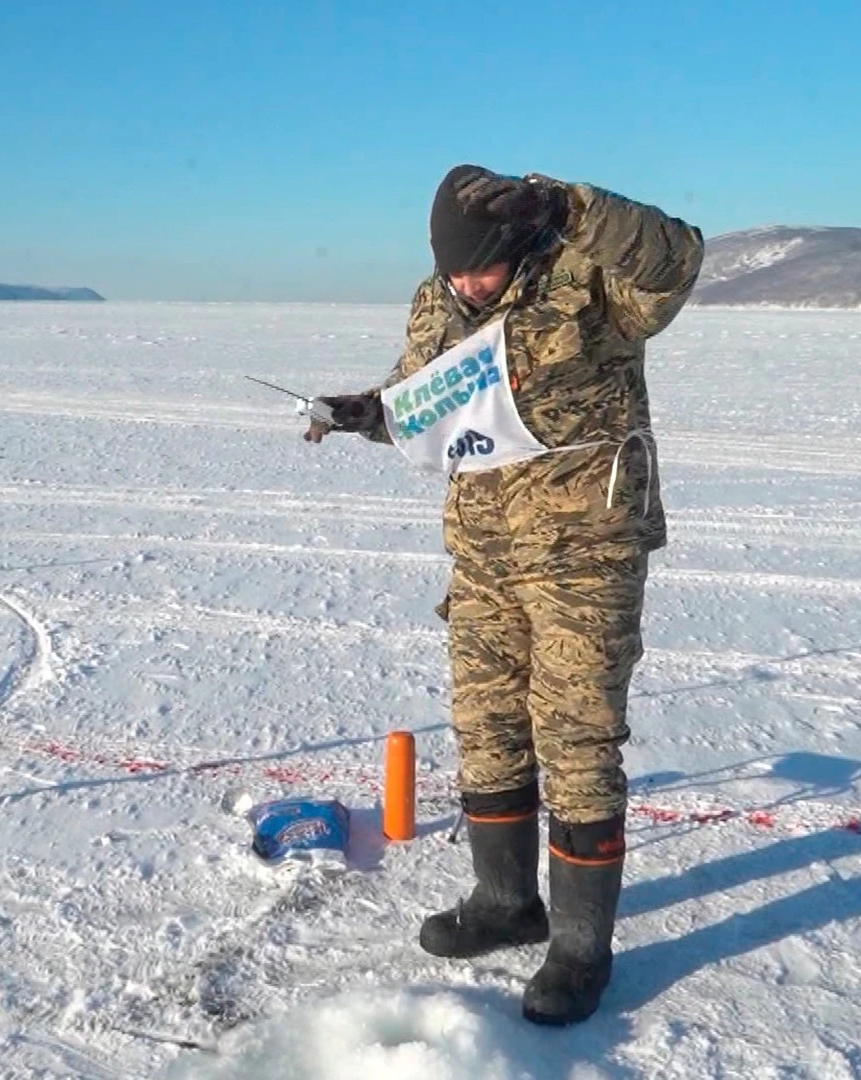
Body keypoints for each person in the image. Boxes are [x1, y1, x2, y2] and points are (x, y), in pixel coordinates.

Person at [305, 164, 703, 1025]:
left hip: (583, 552)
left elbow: (677, 261)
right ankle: (505, 902)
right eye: (453, 270)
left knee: (577, 738)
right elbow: (423, 405)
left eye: (478, 269)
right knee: (487, 725)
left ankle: (580, 948)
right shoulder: (437, 298)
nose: (465, 285)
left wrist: (573, 207)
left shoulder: (591, 276)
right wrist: (363, 413)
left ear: (517, 243)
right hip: (482, 551)